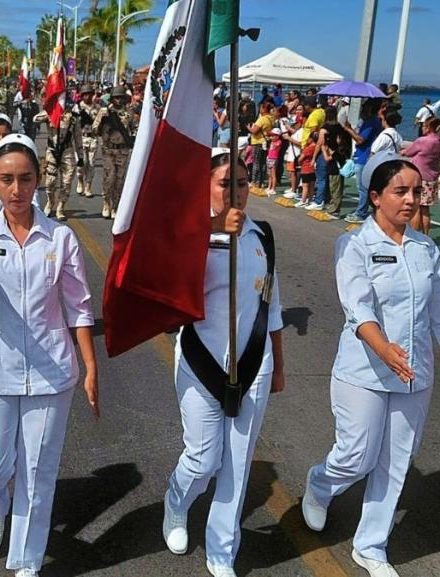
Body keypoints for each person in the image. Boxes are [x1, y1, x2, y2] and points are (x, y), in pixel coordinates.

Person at [302, 152, 440, 577]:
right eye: (399, 191)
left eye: (416, 191)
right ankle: (320, 484)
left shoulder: (426, 249)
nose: (410, 200)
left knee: (396, 460)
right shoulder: (354, 244)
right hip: (364, 371)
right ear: (375, 197)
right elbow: (358, 307)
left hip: (415, 374)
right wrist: (384, 348)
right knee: (356, 456)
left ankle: (370, 546)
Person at [0, 133, 98, 577]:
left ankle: (28, 564)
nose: (17, 190)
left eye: (26, 179)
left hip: (52, 374)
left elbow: (79, 306)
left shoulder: (61, 238)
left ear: (38, 181)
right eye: (7, 179)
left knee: (38, 474)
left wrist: (90, 366)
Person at [162, 149, 284, 577]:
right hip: (201, 360)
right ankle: (177, 500)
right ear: (205, 188)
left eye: (242, 183)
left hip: (254, 364)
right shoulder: (186, 235)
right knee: (202, 459)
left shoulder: (262, 236)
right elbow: (170, 292)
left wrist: (279, 365)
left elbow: (272, 306)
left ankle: (221, 549)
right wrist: (211, 230)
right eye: (224, 183)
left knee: (236, 462)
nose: (235, 192)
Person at [34, 102, 83, 221]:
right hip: (52, 151)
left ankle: (61, 207)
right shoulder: (50, 113)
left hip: (67, 151)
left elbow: (78, 137)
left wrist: (80, 156)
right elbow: (35, 119)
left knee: (66, 182)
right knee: (50, 182)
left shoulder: (73, 117)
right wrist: (50, 113)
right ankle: (50, 203)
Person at [94, 86, 137, 219]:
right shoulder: (105, 111)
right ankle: (106, 202)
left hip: (123, 151)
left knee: (119, 180)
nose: (119, 100)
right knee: (109, 177)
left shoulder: (129, 112)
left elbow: (134, 129)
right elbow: (95, 129)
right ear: (112, 98)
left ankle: (116, 205)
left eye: (121, 97)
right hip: (109, 150)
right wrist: (103, 122)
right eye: (116, 97)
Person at [343, 99, 383, 223]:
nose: (361, 110)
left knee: (363, 187)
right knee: (366, 187)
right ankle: (364, 210)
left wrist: (348, 129)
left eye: (364, 108)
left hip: (364, 157)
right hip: (363, 155)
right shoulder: (374, 122)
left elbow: (360, 140)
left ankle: (361, 212)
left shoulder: (371, 122)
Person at [403, 117, 440, 235]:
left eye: (424, 125)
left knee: (416, 209)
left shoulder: (423, 140)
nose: (422, 128)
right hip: (431, 178)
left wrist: (402, 151)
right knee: (425, 210)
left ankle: (414, 235)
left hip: (419, 177)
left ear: (428, 127)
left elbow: (408, 152)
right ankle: (426, 235)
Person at [75, 85, 101, 198]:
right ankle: (80, 180)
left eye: (89, 94)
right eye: (85, 94)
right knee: (81, 164)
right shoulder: (77, 108)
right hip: (80, 138)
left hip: (93, 138)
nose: (87, 96)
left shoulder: (98, 108)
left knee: (91, 163)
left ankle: (88, 186)